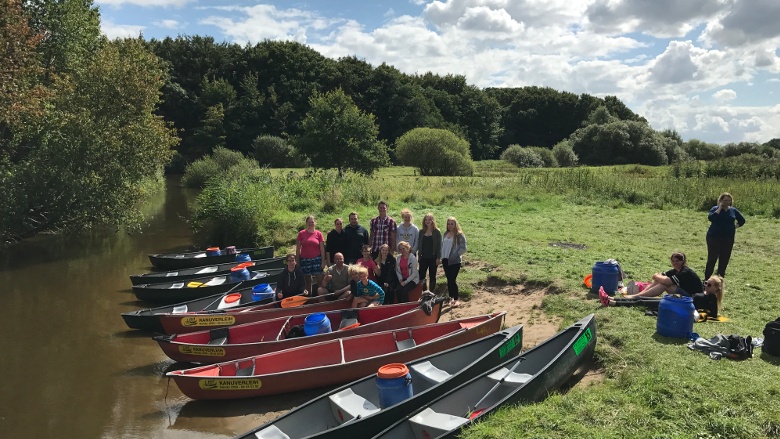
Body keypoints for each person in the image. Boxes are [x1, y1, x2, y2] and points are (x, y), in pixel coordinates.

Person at [599, 251, 703, 306]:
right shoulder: (675, 270)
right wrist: (657, 277)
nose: (675, 263)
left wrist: (656, 276)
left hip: (692, 298)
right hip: (683, 293)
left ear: (683, 262)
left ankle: (636, 296)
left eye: (677, 261)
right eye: (673, 261)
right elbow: (658, 276)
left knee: (663, 283)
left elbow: (665, 280)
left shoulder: (685, 271)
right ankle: (633, 296)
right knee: (660, 280)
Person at [604, 275, 725, 318]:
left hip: (678, 306)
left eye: (709, 285)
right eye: (705, 283)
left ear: (716, 288)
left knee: (640, 302)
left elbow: (713, 314)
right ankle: (613, 299)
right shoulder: (706, 294)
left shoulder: (712, 297)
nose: (706, 286)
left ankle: (612, 303)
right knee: (643, 299)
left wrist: (700, 312)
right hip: (676, 300)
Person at [705, 192, 745, 279]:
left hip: (728, 238)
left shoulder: (733, 210)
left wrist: (734, 227)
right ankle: (707, 279)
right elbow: (711, 218)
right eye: (725, 200)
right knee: (712, 259)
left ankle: (720, 279)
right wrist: (720, 208)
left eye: (729, 200)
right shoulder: (715, 209)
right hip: (714, 237)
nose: (727, 202)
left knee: (724, 259)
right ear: (720, 200)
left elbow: (742, 220)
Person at [296, 214, 326, 296]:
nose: (310, 224)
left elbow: (322, 249)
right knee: (308, 281)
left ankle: (321, 298)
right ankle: (309, 298)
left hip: (317, 259)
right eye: (309, 222)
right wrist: (297, 261)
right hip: (305, 260)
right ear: (306, 223)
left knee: (320, 279)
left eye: (312, 222)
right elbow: (298, 249)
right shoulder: (301, 234)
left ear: (315, 223)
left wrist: (323, 261)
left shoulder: (319, 234)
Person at [440, 217, 467, 307]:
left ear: (455, 224)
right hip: (445, 260)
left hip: (455, 261)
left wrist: (455, 255)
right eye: (448, 224)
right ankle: (450, 298)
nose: (450, 226)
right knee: (449, 280)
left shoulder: (459, 235)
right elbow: (443, 246)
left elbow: (464, 248)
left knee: (452, 280)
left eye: (452, 224)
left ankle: (456, 299)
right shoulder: (445, 233)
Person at [417, 212, 442, 292]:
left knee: (432, 276)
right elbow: (419, 245)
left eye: (429, 220)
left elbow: (439, 246)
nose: (427, 221)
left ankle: (431, 292)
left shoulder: (437, 232)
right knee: (422, 276)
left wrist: (438, 257)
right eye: (426, 220)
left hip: (433, 258)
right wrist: (419, 256)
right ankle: (424, 292)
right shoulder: (421, 232)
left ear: (433, 221)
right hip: (423, 257)